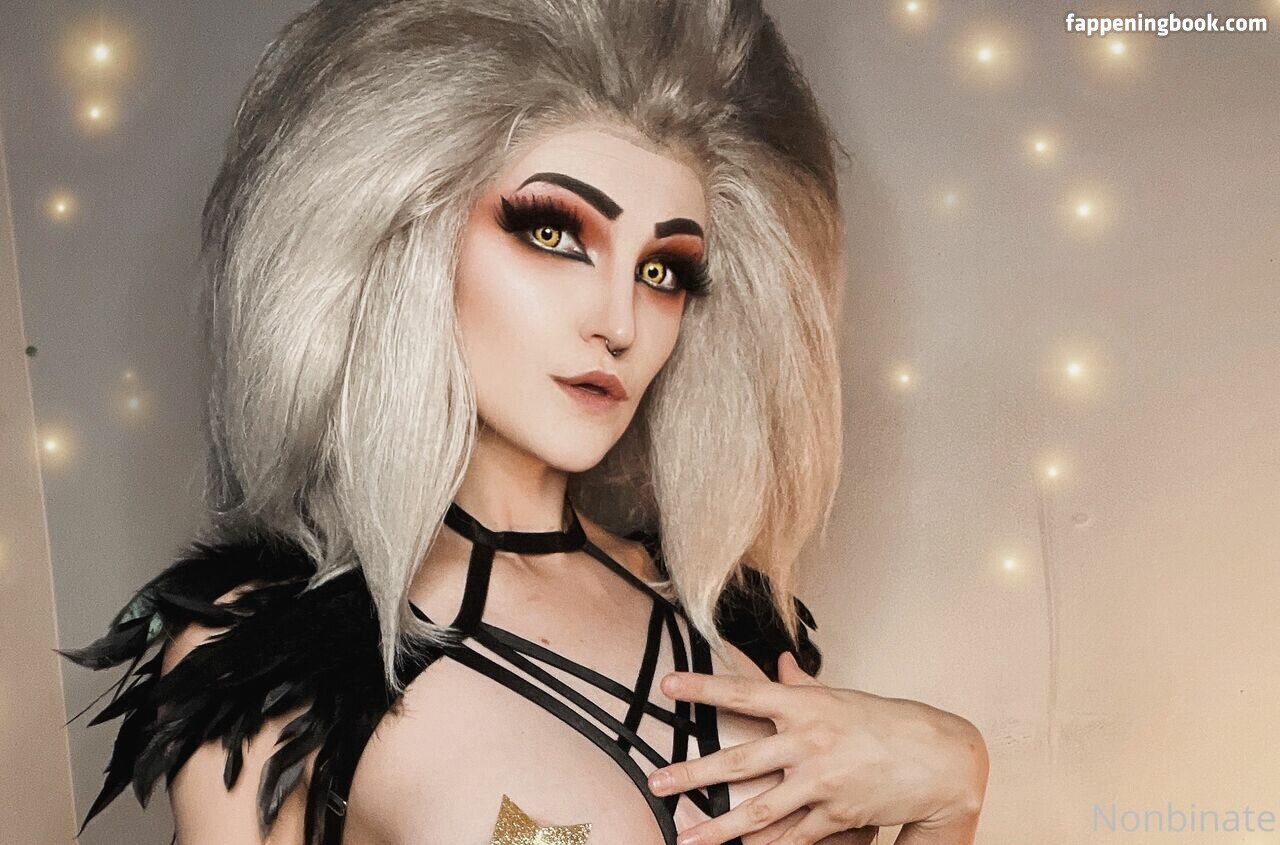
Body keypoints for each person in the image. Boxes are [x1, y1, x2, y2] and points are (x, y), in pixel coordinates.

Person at [59, 1, 989, 843]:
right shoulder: (270, 661)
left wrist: (954, 785)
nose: (619, 322)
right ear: (404, 235)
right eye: (554, 233)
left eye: (662, 270)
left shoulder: (726, 616)